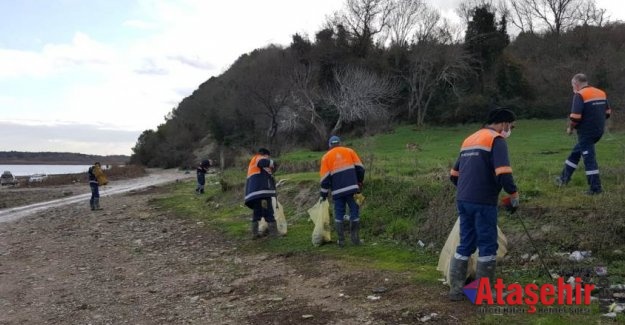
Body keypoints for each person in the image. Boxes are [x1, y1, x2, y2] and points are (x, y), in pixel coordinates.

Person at [447, 108, 519, 301]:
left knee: (465, 244)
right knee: (488, 245)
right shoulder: (496, 140)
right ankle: (481, 293)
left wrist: (467, 190)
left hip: (463, 200)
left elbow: (454, 175)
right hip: (484, 201)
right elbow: (503, 172)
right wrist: (513, 194)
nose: (510, 130)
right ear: (504, 123)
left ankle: (456, 290)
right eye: (511, 127)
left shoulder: (469, 140)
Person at [556, 73, 611, 195]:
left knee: (589, 159)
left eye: (572, 86)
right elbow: (607, 113)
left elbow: (575, 118)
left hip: (586, 133)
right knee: (576, 153)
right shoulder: (601, 93)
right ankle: (563, 178)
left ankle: (595, 188)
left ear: (576, 84)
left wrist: (570, 128)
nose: (573, 89)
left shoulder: (579, 95)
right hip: (598, 131)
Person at [319, 136, 365, 247]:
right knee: (354, 212)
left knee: (339, 214)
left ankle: (341, 241)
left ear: (330, 145)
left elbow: (324, 180)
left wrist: (323, 195)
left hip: (337, 192)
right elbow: (361, 169)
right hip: (353, 189)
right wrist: (359, 181)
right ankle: (355, 240)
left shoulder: (326, 157)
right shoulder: (350, 151)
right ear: (340, 143)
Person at [244, 148, 278, 238]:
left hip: (255, 192)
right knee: (269, 211)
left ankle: (254, 234)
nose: (268, 158)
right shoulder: (259, 158)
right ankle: (274, 233)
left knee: (257, 212)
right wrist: (272, 162)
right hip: (262, 191)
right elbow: (264, 162)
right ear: (265, 154)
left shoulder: (253, 161)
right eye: (268, 156)